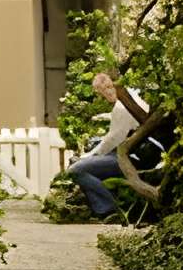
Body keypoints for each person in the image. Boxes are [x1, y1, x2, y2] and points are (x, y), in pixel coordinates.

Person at [64, 72, 167, 221]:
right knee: (84, 162)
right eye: (103, 91)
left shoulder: (122, 107)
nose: (107, 93)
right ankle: (104, 207)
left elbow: (112, 140)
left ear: (110, 84)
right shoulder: (132, 96)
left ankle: (108, 209)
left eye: (106, 89)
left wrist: (88, 155)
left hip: (131, 158)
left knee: (76, 170)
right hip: (139, 152)